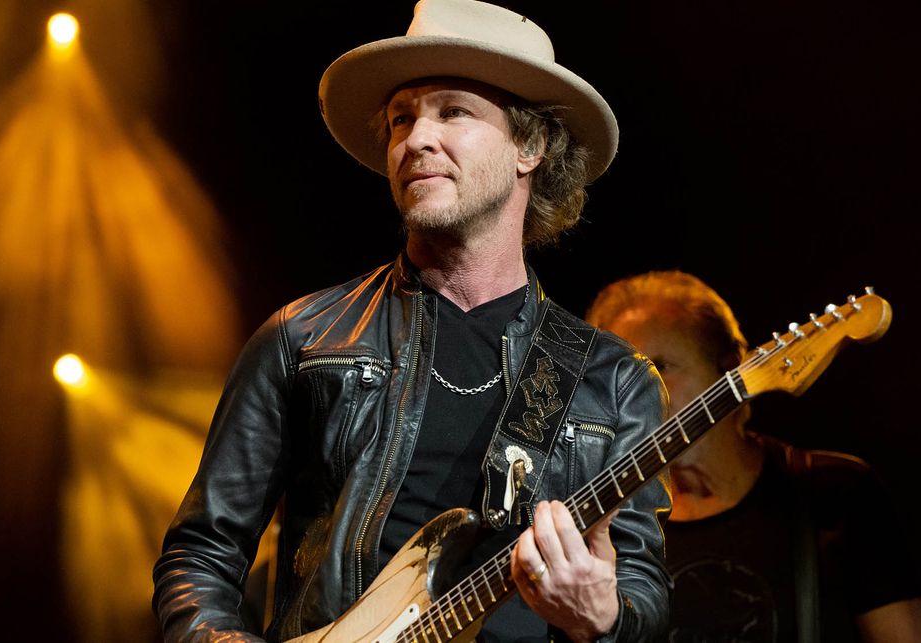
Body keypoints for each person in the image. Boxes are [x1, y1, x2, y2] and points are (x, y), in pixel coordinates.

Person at [152, 1, 673, 641]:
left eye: (453, 111)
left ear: (531, 146)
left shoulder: (613, 382)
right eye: (403, 119)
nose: (416, 139)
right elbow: (201, 552)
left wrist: (606, 617)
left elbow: (643, 590)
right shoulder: (304, 339)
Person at [585, 270, 921, 643]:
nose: (638, 398)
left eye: (660, 368)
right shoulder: (616, 531)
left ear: (730, 366)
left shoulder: (837, 493)